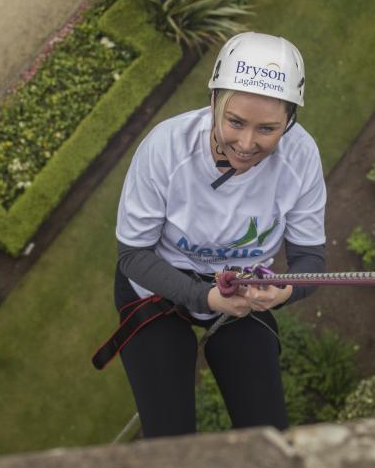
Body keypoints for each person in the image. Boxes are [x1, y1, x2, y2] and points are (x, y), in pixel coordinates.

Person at [108, 32, 326, 438]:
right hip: (157, 286)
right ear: (212, 103)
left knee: (267, 437)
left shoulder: (301, 157)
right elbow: (134, 255)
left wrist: (286, 290)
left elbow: (310, 260)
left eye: (268, 129)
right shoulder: (166, 149)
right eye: (235, 121)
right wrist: (202, 297)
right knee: (171, 441)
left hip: (243, 291)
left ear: (290, 122)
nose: (246, 144)